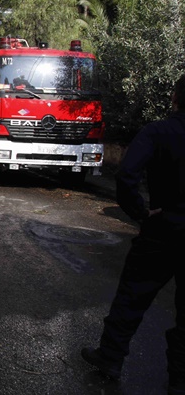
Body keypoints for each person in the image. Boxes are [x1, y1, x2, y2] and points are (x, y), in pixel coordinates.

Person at [81, 74, 185, 394]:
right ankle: (180, 381)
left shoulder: (158, 131)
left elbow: (127, 175)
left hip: (163, 229)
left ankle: (110, 358)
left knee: (132, 296)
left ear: (174, 98)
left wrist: (141, 213)